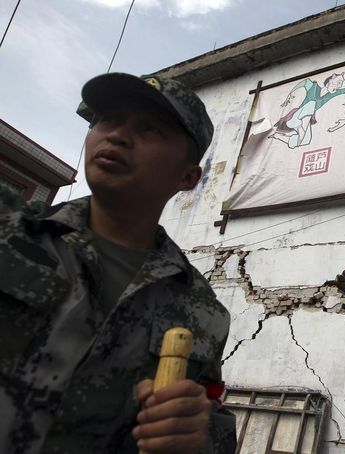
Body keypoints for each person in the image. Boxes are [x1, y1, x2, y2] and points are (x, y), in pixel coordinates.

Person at [0, 73, 235, 453]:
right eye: (107, 120)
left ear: (188, 176)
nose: (117, 136)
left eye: (150, 130)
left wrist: (198, 435)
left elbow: (210, 425)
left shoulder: (202, 311)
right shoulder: (11, 231)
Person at [270, 72, 345, 148]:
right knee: (311, 104)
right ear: (332, 77)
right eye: (339, 82)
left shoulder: (331, 94)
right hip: (295, 117)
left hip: (306, 120)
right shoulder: (313, 87)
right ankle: (301, 132)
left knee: (306, 140)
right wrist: (290, 95)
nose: (340, 85)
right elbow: (305, 81)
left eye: (341, 83)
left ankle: (278, 136)